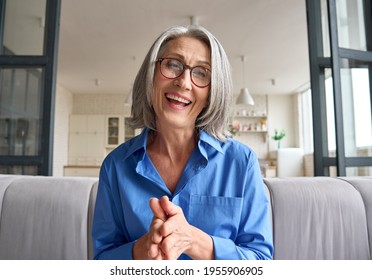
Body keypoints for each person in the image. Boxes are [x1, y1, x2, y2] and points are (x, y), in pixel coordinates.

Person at [92, 25, 274, 260]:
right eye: (173, 65)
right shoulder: (115, 165)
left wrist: (195, 241)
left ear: (212, 91)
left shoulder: (241, 161)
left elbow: (261, 263)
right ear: (151, 75)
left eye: (201, 73)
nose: (184, 82)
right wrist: (141, 250)